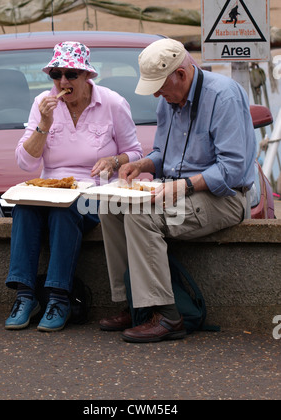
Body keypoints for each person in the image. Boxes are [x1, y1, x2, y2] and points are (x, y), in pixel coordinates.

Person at [99, 38, 256, 343]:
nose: (157, 94)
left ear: (182, 74)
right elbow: (163, 154)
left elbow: (232, 170)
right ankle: (135, 306)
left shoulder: (222, 96)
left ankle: (169, 317)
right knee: (110, 208)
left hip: (225, 197)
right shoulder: (169, 99)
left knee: (141, 218)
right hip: (180, 190)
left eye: (160, 85)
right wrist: (142, 165)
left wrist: (182, 186)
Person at [5, 41, 143, 332]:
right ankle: (25, 296)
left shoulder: (113, 104)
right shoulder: (44, 104)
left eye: (71, 74)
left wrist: (113, 160)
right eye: (56, 75)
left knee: (65, 211)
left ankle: (59, 297)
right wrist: (44, 122)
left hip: (93, 191)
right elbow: (26, 164)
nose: (63, 82)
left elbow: (136, 153)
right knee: (24, 209)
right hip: (51, 188)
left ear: (87, 76)